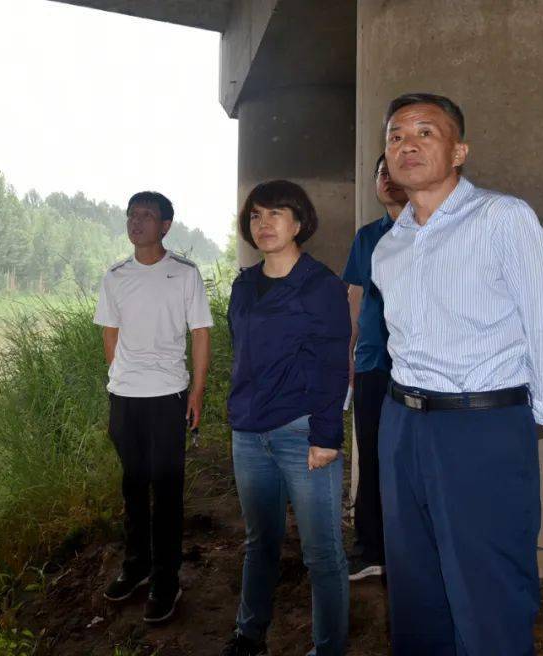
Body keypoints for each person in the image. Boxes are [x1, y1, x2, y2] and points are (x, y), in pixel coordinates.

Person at [372, 93, 543, 655]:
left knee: (487, 593)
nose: (406, 144)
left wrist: (536, 412)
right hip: (402, 423)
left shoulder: (501, 217)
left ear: (459, 150)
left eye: (425, 133)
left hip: (479, 426)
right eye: (394, 136)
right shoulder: (391, 244)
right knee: (414, 589)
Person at [222, 180, 350, 656]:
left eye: (276, 213)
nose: (264, 224)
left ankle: (329, 648)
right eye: (256, 215)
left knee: (322, 555)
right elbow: (243, 355)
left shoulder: (321, 286)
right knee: (260, 542)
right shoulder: (244, 284)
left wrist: (327, 436)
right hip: (250, 435)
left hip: (303, 435)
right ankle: (249, 634)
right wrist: (239, 417)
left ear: (299, 223)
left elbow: (334, 365)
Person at [93, 190, 213, 624]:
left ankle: (167, 579)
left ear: (165, 226)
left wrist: (197, 392)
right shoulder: (115, 276)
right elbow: (110, 334)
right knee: (132, 485)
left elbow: (200, 333)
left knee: (166, 492)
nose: (136, 221)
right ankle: (136, 567)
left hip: (168, 396)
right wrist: (123, 379)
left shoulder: (184, 274)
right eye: (131, 214)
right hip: (125, 398)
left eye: (147, 215)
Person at [340, 154, 407, 581]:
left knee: (410, 459)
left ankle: (409, 548)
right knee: (372, 455)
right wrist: (348, 359)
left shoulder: (433, 231)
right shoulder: (368, 238)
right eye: (381, 172)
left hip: (419, 371)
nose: (387, 178)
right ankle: (371, 549)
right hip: (372, 365)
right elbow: (354, 303)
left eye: (393, 171)